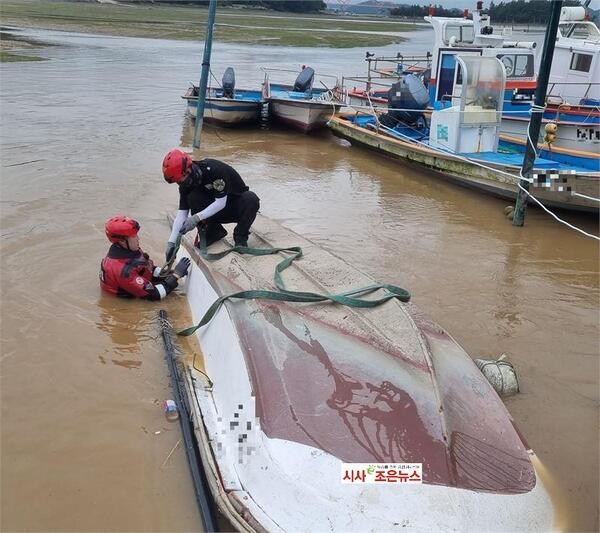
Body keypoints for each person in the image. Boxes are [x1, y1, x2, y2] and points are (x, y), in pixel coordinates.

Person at [162, 149, 260, 261]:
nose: (180, 183)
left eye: (180, 180)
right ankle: (213, 232)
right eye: (178, 182)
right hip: (214, 211)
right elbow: (182, 212)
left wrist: (195, 218)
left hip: (232, 205)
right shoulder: (185, 185)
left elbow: (220, 203)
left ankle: (240, 237)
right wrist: (171, 242)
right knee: (192, 197)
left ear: (188, 170)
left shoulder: (214, 170)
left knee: (251, 199)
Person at [100, 215, 190, 300]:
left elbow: (147, 269)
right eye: (134, 236)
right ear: (123, 241)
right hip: (126, 302)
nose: (138, 239)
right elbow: (155, 295)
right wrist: (176, 275)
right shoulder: (124, 272)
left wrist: (169, 272)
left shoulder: (129, 250)